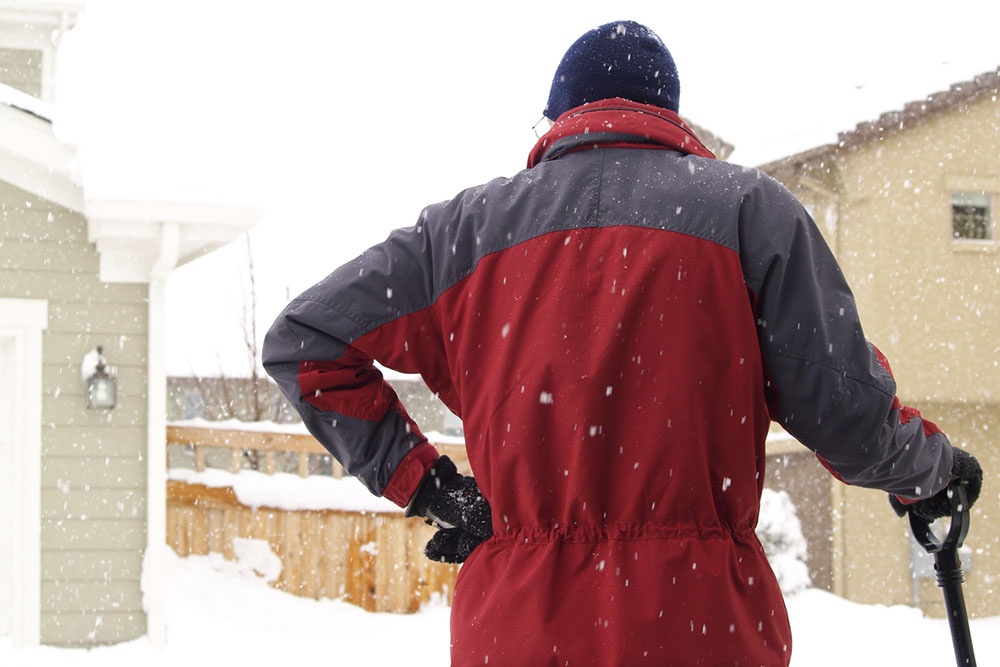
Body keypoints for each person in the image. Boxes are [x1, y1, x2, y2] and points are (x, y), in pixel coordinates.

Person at [262, 20, 982, 666]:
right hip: (701, 629)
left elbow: (307, 340)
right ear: (670, 115)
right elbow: (849, 417)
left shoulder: (463, 234)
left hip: (517, 633)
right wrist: (931, 469)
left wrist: (429, 485)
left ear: (557, 117)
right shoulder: (749, 214)